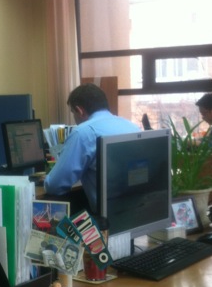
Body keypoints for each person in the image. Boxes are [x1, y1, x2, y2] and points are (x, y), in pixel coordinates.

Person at [43, 83, 140, 213]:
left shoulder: (83, 133)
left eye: (73, 113)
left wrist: (46, 179)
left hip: (107, 218)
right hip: (138, 210)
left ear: (80, 110)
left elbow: (55, 186)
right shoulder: (131, 126)